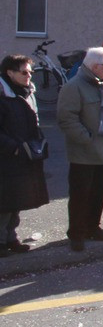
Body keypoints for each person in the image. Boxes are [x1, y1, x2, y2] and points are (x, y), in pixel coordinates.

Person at [57, 47, 103, 252]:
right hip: (84, 153)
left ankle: (93, 227)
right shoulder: (74, 87)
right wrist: (87, 140)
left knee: (99, 191)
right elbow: (67, 119)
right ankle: (76, 233)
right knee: (80, 194)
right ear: (94, 66)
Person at [0, 54, 49, 256]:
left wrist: (37, 143)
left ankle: (12, 238)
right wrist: (14, 147)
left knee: (17, 200)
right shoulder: (3, 95)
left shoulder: (26, 92)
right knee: (4, 202)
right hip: (7, 157)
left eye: (31, 72)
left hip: (23, 155)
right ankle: (1, 242)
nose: (29, 75)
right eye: (24, 72)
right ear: (9, 73)